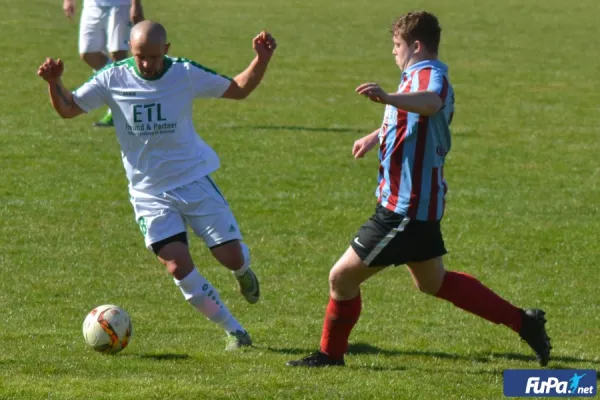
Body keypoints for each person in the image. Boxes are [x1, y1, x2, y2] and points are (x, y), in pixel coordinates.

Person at [286, 11, 551, 367]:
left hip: (404, 208)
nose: (393, 52)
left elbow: (430, 104)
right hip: (418, 204)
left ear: (416, 44)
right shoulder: (412, 77)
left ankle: (330, 355)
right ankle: (525, 322)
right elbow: (413, 119)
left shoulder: (431, 76)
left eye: (397, 45)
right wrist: (375, 135)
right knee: (433, 282)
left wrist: (388, 98)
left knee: (341, 278)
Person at [38, 21, 277, 350]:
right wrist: (55, 82)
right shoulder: (113, 76)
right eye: (140, 57)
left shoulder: (184, 72)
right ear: (131, 51)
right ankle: (234, 330)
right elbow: (67, 109)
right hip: (149, 193)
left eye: (153, 56)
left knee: (231, 256)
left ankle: (243, 271)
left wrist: (261, 59)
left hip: (193, 180)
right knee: (178, 266)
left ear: (166, 50)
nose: (147, 65)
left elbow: (238, 88)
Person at [63, 0, 144, 127]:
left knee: (118, 54)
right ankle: (128, 88)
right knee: (88, 52)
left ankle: (117, 109)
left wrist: (136, 4)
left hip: (120, 4)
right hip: (92, 5)